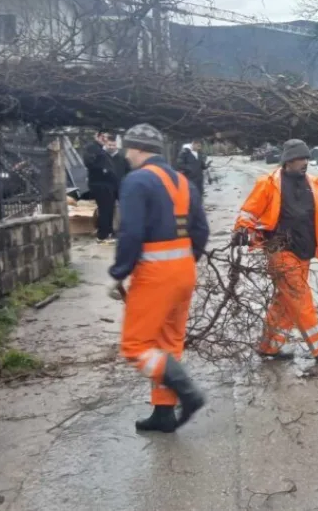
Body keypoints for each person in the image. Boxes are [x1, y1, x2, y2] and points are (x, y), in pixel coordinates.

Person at [109, 123, 209, 433]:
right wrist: (185, 261)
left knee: (135, 346)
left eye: (128, 148)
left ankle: (187, 392)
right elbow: (201, 230)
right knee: (168, 343)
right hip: (184, 271)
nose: (126, 155)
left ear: (138, 149)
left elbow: (131, 232)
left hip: (155, 273)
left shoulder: (137, 181)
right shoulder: (182, 182)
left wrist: (119, 273)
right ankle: (164, 413)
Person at [232, 139, 318, 362]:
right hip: (280, 249)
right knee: (299, 296)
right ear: (288, 161)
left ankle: (269, 347)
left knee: (284, 300)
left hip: (305, 251)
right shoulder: (269, 183)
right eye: (300, 158)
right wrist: (242, 229)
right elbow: (249, 213)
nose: (305, 163)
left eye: (307, 158)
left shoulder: (314, 183)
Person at [82, 130, 118, 243]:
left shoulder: (100, 150)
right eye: (103, 137)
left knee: (108, 209)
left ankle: (108, 232)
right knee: (105, 209)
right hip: (100, 184)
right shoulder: (92, 147)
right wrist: (104, 171)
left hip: (107, 184)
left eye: (106, 137)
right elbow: (89, 162)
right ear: (97, 136)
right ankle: (103, 235)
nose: (105, 139)